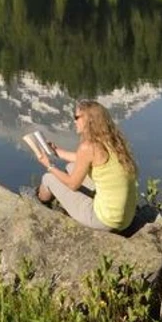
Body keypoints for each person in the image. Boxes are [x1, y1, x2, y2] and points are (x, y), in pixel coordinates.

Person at [34, 99, 139, 231]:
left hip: (105, 221)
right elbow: (81, 160)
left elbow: (73, 184)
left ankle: (38, 203)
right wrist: (57, 151)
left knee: (48, 178)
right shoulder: (113, 141)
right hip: (126, 219)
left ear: (89, 119)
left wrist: (49, 165)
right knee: (71, 167)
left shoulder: (88, 147)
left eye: (76, 117)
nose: (74, 121)